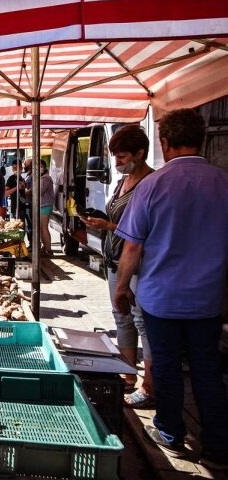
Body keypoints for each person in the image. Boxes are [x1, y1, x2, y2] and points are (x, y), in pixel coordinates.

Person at [114, 109, 228, 466]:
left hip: (161, 298)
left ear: (164, 144)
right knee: (207, 369)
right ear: (204, 140)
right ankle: (218, 448)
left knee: (165, 366)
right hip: (209, 300)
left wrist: (120, 287)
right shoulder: (224, 182)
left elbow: (132, 247)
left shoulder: (152, 185)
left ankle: (171, 432)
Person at [82, 125, 155, 406]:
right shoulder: (122, 182)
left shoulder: (150, 184)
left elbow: (143, 231)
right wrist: (103, 222)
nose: (117, 162)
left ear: (140, 153)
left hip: (138, 265)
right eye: (115, 157)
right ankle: (127, 376)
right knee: (121, 316)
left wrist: (109, 225)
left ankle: (150, 385)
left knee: (141, 320)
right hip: (115, 259)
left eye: (122, 156)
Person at [39, 159, 55, 257]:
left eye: (40, 165)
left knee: (44, 228)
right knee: (42, 228)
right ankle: (45, 248)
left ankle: (48, 249)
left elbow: (39, 191)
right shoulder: (42, 178)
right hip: (43, 205)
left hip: (45, 205)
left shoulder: (45, 178)